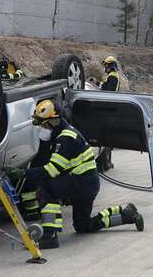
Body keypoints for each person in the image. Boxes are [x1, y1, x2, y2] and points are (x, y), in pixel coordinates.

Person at [8, 99, 144, 249]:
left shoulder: (65, 138)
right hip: (87, 183)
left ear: (55, 120)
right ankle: (126, 214)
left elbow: (52, 170)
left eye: (44, 123)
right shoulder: (66, 133)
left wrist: (23, 173)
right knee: (83, 226)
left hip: (82, 183)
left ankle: (50, 235)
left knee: (46, 188)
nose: (42, 127)